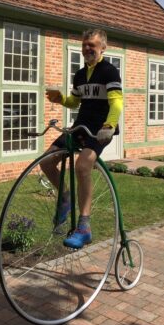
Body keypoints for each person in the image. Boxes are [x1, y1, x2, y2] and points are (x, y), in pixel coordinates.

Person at [41, 28, 123, 249]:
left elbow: (116, 102)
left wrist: (110, 125)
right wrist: (61, 99)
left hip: (100, 128)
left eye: (92, 45)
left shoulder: (109, 72)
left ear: (103, 48)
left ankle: (84, 226)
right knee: (46, 161)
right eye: (85, 45)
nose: (87, 48)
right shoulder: (79, 74)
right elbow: (75, 102)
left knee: (83, 165)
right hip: (81, 125)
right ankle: (65, 198)